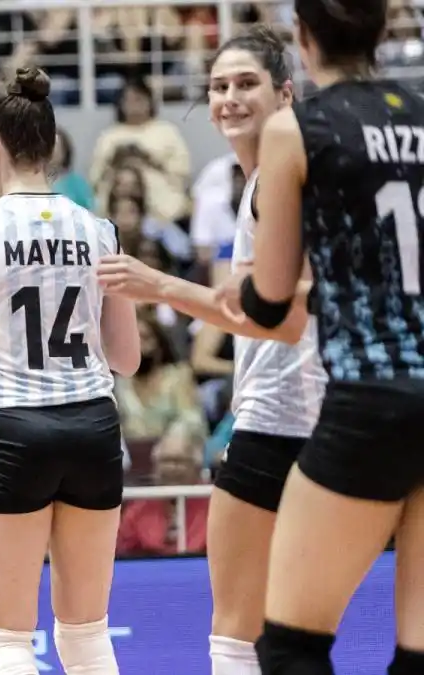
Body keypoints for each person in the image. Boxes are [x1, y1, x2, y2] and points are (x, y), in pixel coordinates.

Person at [94, 27, 327, 675]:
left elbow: (270, 313)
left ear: (286, 92)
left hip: (286, 418)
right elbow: (244, 304)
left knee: (235, 630)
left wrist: (157, 285)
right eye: (219, 86)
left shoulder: (280, 182)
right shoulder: (256, 184)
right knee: (284, 633)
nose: (228, 98)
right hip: (301, 413)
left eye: (246, 83)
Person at [216, 1, 424, 672]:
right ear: (385, 31)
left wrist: (232, 291)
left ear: (302, 41)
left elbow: (272, 301)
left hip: (369, 397)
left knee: (291, 646)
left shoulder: (298, 128)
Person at [0, 67, 141, 675]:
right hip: (93, 424)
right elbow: (127, 359)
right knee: (87, 634)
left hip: (12, 426)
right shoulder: (100, 229)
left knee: (6, 640)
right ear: (52, 148)